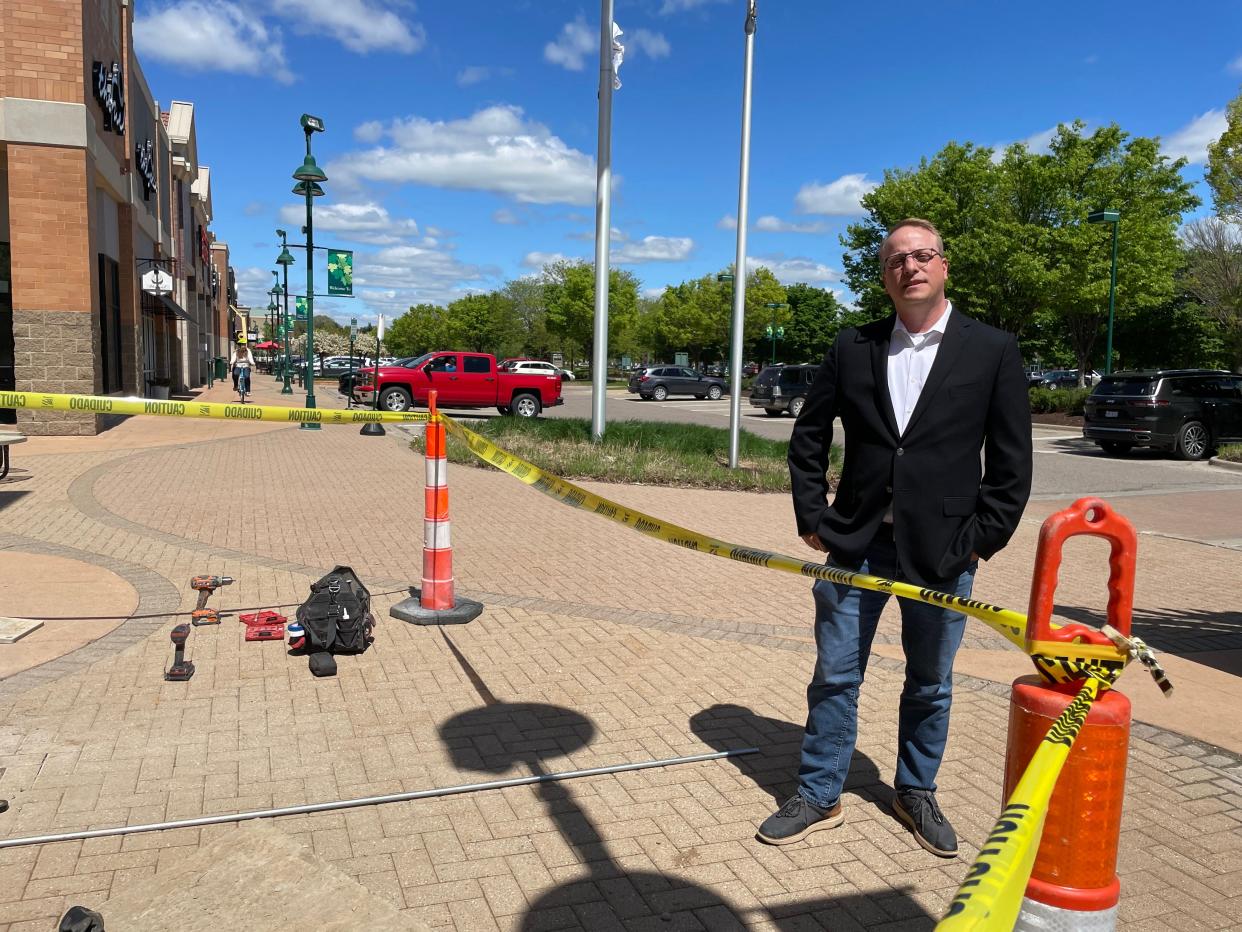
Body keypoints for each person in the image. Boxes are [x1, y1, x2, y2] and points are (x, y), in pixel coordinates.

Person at [759, 218, 1033, 858]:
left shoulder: (991, 349)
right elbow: (809, 434)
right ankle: (818, 792)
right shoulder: (853, 345)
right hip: (854, 543)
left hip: (943, 552)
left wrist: (979, 541)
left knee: (931, 682)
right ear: (884, 277)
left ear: (942, 267)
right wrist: (812, 516)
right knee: (833, 675)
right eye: (895, 260)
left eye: (922, 255)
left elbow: (1012, 463)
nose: (910, 266)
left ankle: (915, 791)